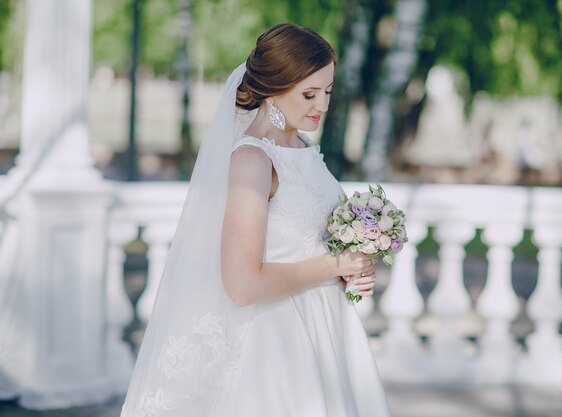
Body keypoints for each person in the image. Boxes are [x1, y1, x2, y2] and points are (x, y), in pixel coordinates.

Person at [120, 23, 392, 417]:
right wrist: (336, 265)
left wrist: (353, 266)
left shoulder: (303, 145)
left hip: (327, 328)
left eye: (328, 91)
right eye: (310, 94)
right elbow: (242, 284)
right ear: (275, 88)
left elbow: (307, 238)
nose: (323, 106)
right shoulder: (252, 159)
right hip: (276, 342)